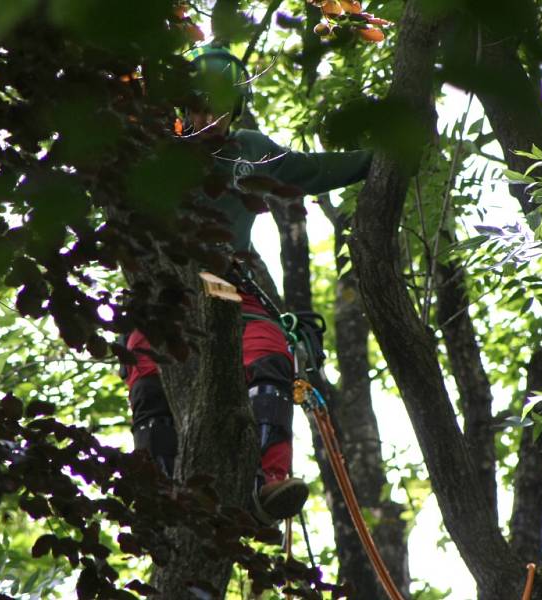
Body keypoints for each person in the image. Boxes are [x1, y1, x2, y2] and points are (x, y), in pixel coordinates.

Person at [123, 43, 371, 524]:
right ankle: (162, 494)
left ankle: (269, 482)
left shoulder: (248, 152)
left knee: (269, 351)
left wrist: (382, 155)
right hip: (161, 294)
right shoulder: (153, 148)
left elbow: (312, 171)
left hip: (228, 285)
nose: (209, 113)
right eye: (200, 101)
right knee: (146, 366)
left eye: (219, 104)